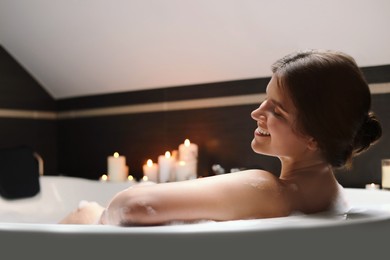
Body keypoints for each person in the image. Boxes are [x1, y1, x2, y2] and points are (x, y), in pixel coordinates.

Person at [59, 49, 382, 226]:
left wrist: (90, 214)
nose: (257, 112)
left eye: (277, 111)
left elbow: (134, 207)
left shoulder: (272, 190)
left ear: (313, 137)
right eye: (265, 99)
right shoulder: (330, 198)